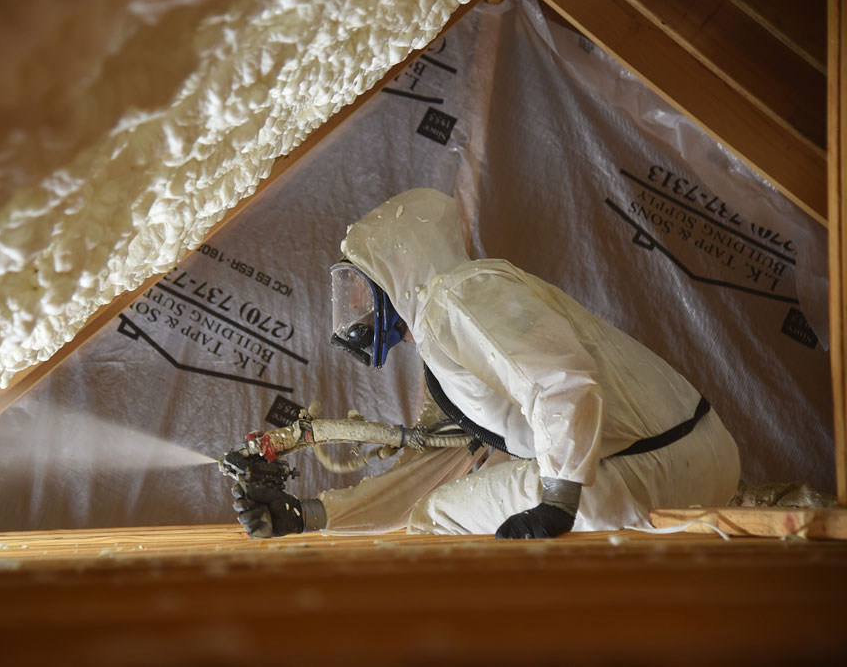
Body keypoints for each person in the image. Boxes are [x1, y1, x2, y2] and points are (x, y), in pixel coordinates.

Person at [233, 188, 741, 539]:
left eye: (360, 289)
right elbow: (432, 471)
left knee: (436, 518)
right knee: (452, 496)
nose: (357, 311)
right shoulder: (458, 322)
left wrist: (558, 502)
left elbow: (562, 384)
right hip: (692, 459)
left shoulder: (457, 297)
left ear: (398, 270)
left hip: (646, 474)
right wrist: (310, 515)